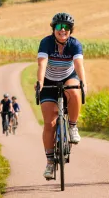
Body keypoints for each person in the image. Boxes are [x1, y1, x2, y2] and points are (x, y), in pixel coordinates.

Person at [35, 12, 88, 179]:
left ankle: (72, 126)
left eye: (66, 27)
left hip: (68, 77)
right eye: (59, 26)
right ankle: (50, 163)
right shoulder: (46, 42)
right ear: (53, 29)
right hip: (49, 81)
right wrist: (40, 82)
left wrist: (84, 83)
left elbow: (79, 65)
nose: (62, 30)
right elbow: (42, 63)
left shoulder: (75, 44)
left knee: (74, 89)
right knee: (49, 123)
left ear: (71, 30)